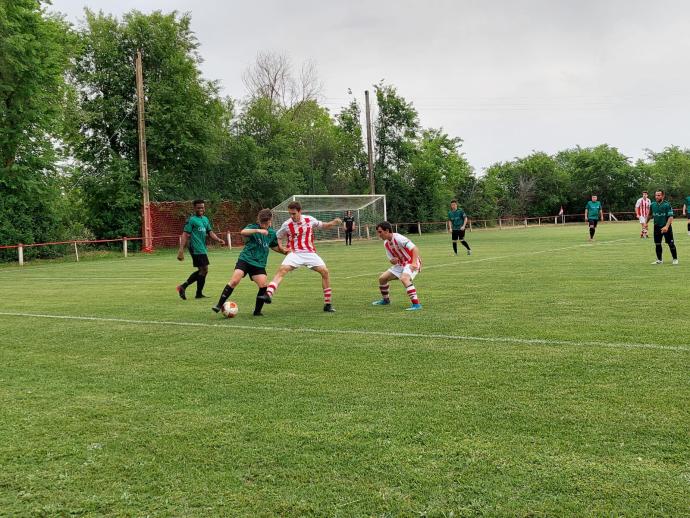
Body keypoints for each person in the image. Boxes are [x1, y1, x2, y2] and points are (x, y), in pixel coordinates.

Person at [257, 201, 342, 312]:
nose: (291, 216)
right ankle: (268, 295)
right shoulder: (287, 224)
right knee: (282, 270)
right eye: (290, 214)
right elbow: (278, 236)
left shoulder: (309, 220)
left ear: (299, 211)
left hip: (310, 253)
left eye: (294, 214)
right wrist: (282, 248)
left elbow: (323, 226)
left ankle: (328, 304)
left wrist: (334, 222)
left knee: (325, 272)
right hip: (295, 253)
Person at [212, 209, 288, 316]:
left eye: (266, 223)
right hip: (246, 259)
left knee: (263, 285)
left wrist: (286, 252)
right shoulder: (253, 227)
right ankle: (219, 305)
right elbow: (243, 232)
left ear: (270, 221)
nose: (264, 225)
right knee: (234, 281)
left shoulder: (271, 233)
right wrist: (258, 230)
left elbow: (274, 246)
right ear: (259, 220)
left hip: (259, 263)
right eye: (262, 223)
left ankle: (257, 311)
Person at [176, 199, 225, 300]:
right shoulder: (191, 220)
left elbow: (210, 232)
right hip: (195, 248)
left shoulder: (205, 219)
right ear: (194, 208)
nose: (201, 209)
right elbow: (185, 234)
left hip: (202, 248)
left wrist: (218, 239)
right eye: (198, 207)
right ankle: (185, 287)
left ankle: (195, 292)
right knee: (204, 269)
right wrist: (181, 250)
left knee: (202, 270)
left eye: (202, 207)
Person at [371, 221, 423, 311]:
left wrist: (414, 263)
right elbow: (392, 260)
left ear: (387, 231)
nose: (379, 234)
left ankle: (416, 305)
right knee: (382, 278)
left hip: (411, 261)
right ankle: (386, 300)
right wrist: (393, 261)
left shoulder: (399, 238)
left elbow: (415, 248)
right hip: (401, 264)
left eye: (380, 232)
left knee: (404, 278)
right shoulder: (386, 243)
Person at [647, 190, 678, 265]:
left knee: (671, 243)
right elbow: (650, 215)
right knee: (657, 244)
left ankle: (675, 259)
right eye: (656, 195)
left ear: (663, 196)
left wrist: (666, 227)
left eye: (658, 195)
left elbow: (670, 217)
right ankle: (659, 260)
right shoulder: (653, 204)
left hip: (666, 227)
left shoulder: (667, 205)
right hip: (656, 227)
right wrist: (645, 223)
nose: (657, 197)